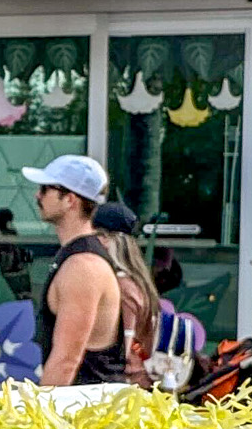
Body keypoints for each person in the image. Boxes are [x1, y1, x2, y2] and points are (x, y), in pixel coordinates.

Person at [20, 154, 125, 387]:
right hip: (83, 401)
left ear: (70, 200)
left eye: (45, 188)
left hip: (86, 404)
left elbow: (66, 360)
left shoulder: (83, 267)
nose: (37, 195)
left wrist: (38, 408)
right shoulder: (77, 257)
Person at [94, 202, 161, 389]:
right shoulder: (135, 281)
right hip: (134, 382)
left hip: (126, 384)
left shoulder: (121, 286)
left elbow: (125, 344)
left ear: (106, 239)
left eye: (94, 236)